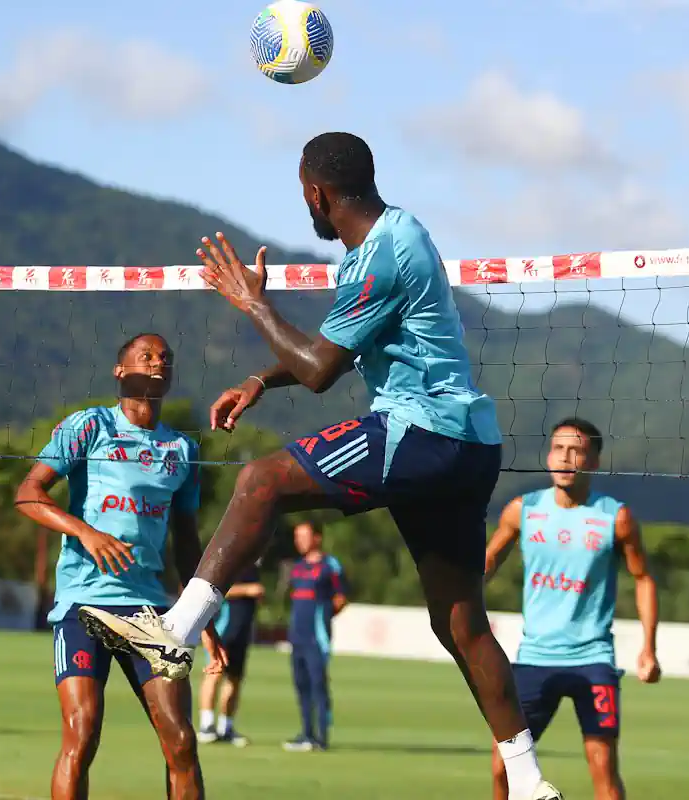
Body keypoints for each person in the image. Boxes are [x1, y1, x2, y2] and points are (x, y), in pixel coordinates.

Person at [80, 132, 563, 800]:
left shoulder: (377, 260)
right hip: (469, 445)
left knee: (261, 481)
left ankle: (174, 634)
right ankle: (530, 780)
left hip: (418, 434)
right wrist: (259, 379)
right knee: (458, 622)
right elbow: (321, 352)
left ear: (318, 193)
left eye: (302, 191)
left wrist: (251, 301)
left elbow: (319, 371)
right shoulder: (392, 238)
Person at [15, 332, 227, 800]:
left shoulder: (182, 450)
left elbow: (186, 542)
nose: (157, 363)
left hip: (150, 612)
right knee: (82, 731)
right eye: (145, 356)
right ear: (120, 371)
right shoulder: (89, 427)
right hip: (84, 605)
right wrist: (85, 532)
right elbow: (28, 494)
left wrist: (203, 617)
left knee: (181, 739)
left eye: (165, 358)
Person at [485, 418, 661, 800]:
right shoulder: (523, 510)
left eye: (576, 450)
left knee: (603, 768)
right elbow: (489, 561)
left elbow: (644, 578)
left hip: (592, 657)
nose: (565, 458)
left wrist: (649, 647)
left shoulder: (615, 517)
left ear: (593, 461)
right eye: (558, 448)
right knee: (503, 767)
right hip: (533, 657)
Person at [281, 521, 347, 752]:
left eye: (304, 536)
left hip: (316, 638)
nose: (299, 540)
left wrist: (322, 620)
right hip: (296, 637)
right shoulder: (297, 567)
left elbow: (340, 599)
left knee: (318, 684)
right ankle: (306, 734)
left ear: (317, 538)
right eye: (297, 536)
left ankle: (322, 737)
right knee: (301, 685)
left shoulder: (330, 566)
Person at [198, 560, 265, 747]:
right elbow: (214, 589)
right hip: (223, 628)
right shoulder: (229, 561)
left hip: (242, 630)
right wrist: (247, 590)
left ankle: (226, 728)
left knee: (235, 678)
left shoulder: (252, 566)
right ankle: (206, 725)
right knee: (215, 673)